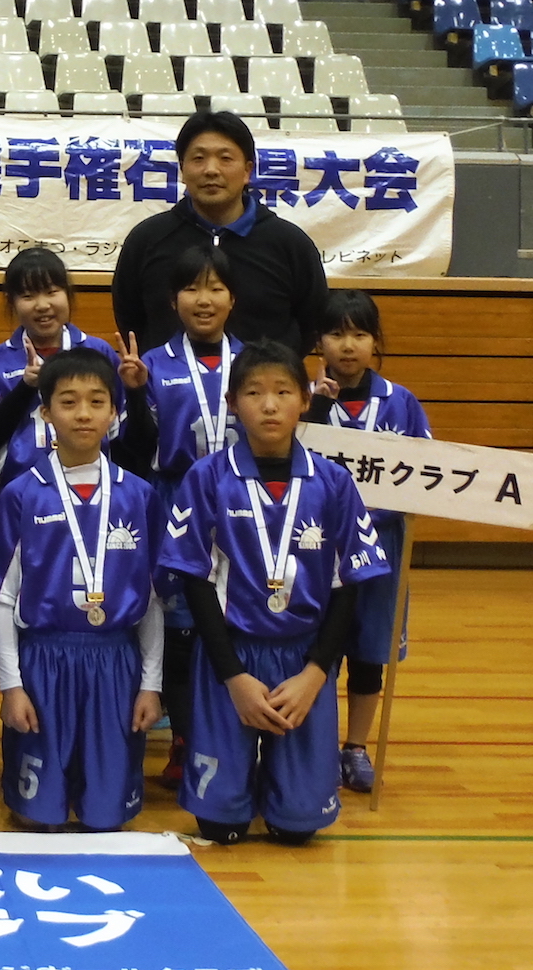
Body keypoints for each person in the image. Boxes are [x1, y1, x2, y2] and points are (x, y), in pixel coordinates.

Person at [158, 340, 390, 845]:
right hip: (229, 656)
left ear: (304, 401)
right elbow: (194, 583)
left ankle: (283, 782)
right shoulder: (207, 479)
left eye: (283, 391)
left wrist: (314, 674)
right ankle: (241, 778)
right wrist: (234, 677)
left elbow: (348, 586)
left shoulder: (334, 483)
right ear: (231, 403)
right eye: (254, 392)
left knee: (297, 829)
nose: (268, 404)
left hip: (303, 656)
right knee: (220, 827)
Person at [0, 349, 164, 831]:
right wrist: (11, 684)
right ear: (45, 413)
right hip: (43, 659)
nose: (83, 413)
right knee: (37, 816)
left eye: (96, 401)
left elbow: (150, 601)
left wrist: (151, 682)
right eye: (68, 402)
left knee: (106, 819)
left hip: (115, 661)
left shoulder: (140, 495)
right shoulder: (21, 493)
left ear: (114, 412)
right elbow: (4, 598)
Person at [115, 246, 246, 788]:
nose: (204, 298)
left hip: (244, 509)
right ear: (174, 300)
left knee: (238, 622)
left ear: (233, 298)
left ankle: (233, 735)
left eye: (216, 287)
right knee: (178, 627)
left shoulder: (257, 363)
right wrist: (135, 392)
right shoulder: (153, 364)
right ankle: (185, 739)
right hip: (174, 503)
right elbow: (134, 449)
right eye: (193, 288)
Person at [305, 290, 431, 794]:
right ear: (320, 342)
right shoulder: (306, 398)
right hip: (316, 549)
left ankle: (355, 748)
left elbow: (427, 472)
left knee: (367, 651)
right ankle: (313, 744)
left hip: (380, 548)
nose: (348, 345)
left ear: (376, 341)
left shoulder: (400, 401)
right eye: (337, 334)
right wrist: (316, 406)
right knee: (317, 648)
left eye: (359, 334)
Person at [111, 109, 329, 359]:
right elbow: (130, 317)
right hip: (170, 394)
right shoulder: (147, 240)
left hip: (262, 394)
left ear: (248, 171)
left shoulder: (290, 244)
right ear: (182, 169)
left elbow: (311, 322)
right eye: (199, 158)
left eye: (225, 158)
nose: (211, 170)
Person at [0, 248, 123, 488]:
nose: (42, 305)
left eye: (52, 292)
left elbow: (119, 431)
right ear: (12, 302)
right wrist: (25, 387)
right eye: (28, 296)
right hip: (17, 490)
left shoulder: (98, 352)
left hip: (93, 487)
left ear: (68, 294)